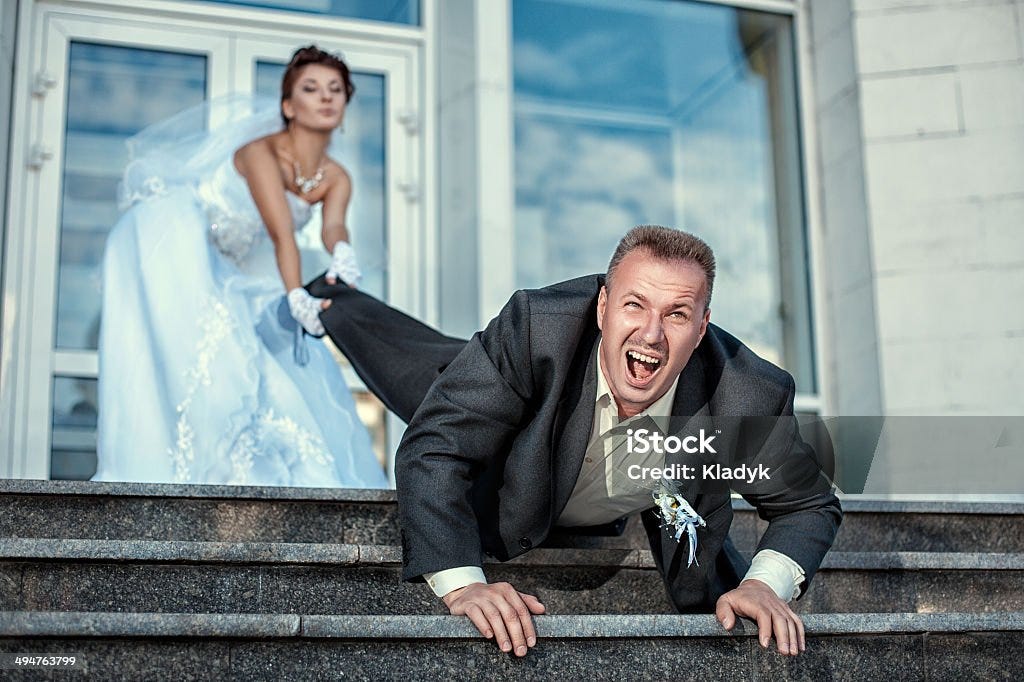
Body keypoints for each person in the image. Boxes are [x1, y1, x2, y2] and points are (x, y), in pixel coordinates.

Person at [308, 225, 841, 657]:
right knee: (410, 360)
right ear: (602, 307)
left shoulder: (747, 394)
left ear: (702, 330)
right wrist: (464, 584)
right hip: (510, 433)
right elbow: (433, 450)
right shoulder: (537, 329)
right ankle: (336, 301)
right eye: (635, 305)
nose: (652, 333)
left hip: (606, 490)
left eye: (677, 313)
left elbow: (810, 505)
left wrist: (765, 584)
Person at [94, 46, 387, 488]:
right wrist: (295, 294)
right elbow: (281, 234)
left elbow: (333, 226)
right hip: (174, 241)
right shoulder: (259, 153)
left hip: (238, 266)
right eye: (311, 88)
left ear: (345, 105)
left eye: (336, 90)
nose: (326, 97)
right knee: (215, 354)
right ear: (289, 105)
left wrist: (342, 251)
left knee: (277, 363)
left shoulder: (336, 175)